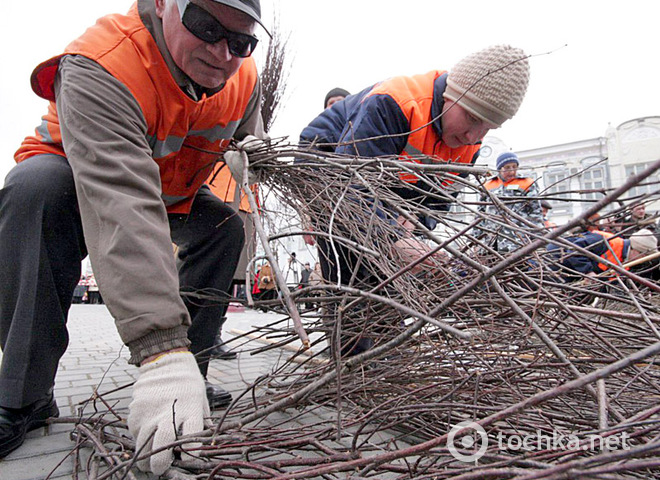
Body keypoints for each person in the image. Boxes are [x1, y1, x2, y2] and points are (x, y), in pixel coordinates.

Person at [0, 0, 269, 473]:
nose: (224, 53)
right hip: (78, 178)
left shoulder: (243, 78)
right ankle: (24, 394)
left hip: (169, 193)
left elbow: (250, 134)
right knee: (32, 192)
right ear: (164, 4)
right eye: (206, 27)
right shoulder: (102, 63)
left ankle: (192, 377)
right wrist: (159, 348)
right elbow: (120, 199)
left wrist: (255, 150)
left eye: (241, 41)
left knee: (226, 227)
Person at [299, 44, 530, 355]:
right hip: (330, 161)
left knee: (394, 265)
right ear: (452, 93)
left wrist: (416, 226)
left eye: (488, 128)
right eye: (472, 118)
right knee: (350, 258)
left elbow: (438, 200)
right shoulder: (394, 103)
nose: (473, 136)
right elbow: (351, 187)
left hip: (388, 181)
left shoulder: (469, 145)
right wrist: (394, 235)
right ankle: (353, 361)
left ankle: (386, 351)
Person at [477, 151, 544, 252]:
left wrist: (538, 239)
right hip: (490, 242)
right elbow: (480, 214)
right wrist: (477, 240)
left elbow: (535, 213)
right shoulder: (488, 185)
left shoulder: (527, 183)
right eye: (507, 168)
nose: (512, 171)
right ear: (499, 169)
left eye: (514, 167)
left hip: (518, 241)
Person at [548, 228, 658, 282]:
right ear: (637, 250)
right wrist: (588, 272)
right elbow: (574, 251)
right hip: (552, 262)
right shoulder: (607, 241)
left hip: (567, 274)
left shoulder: (624, 262)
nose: (642, 260)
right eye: (643, 257)